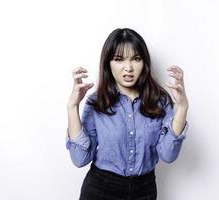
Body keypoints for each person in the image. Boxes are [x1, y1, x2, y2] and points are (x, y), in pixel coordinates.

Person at [65, 28, 189, 200]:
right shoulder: (97, 102)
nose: (128, 68)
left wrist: (182, 109)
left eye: (136, 59)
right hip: (101, 190)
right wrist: (72, 106)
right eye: (119, 59)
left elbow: (168, 155)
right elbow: (79, 159)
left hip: (144, 190)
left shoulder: (160, 101)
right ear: (108, 63)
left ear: (144, 62)